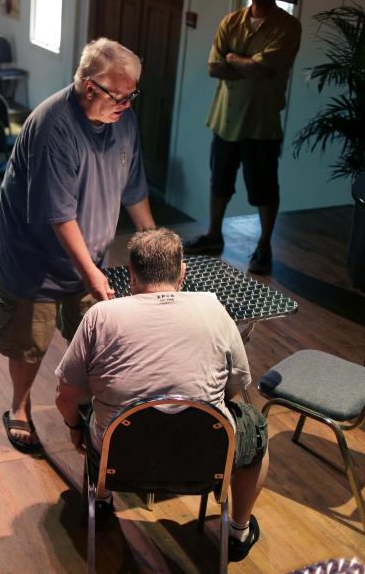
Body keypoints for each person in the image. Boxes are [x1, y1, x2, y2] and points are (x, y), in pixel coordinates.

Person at [54, 228, 268, 561]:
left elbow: (65, 396)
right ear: (182, 272)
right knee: (256, 428)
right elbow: (238, 384)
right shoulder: (214, 310)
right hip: (204, 455)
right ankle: (238, 532)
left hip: (120, 456)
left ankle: (104, 499)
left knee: (95, 412)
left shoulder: (100, 316)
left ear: (131, 273)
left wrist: (73, 428)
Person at [0, 38, 155, 453]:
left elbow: (133, 189)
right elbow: (59, 216)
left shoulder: (123, 120)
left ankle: (84, 408)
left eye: (133, 95)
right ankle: (19, 406)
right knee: (30, 340)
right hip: (33, 259)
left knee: (93, 337)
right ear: (89, 87)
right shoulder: (53, 127)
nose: (127, 105)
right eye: (121, 96)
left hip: (89, 255)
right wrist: (93, 275)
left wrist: (154, 244)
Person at [183, 0, 302, 274]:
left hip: (261, 122)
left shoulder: (288, 27)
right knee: (219, 179)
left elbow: (265, 70)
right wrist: (247, 63)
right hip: (225, 117)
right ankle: (213, 235)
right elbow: (212, 68)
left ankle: (264, 245)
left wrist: (233, 59)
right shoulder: (230, 21)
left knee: (263, 186)